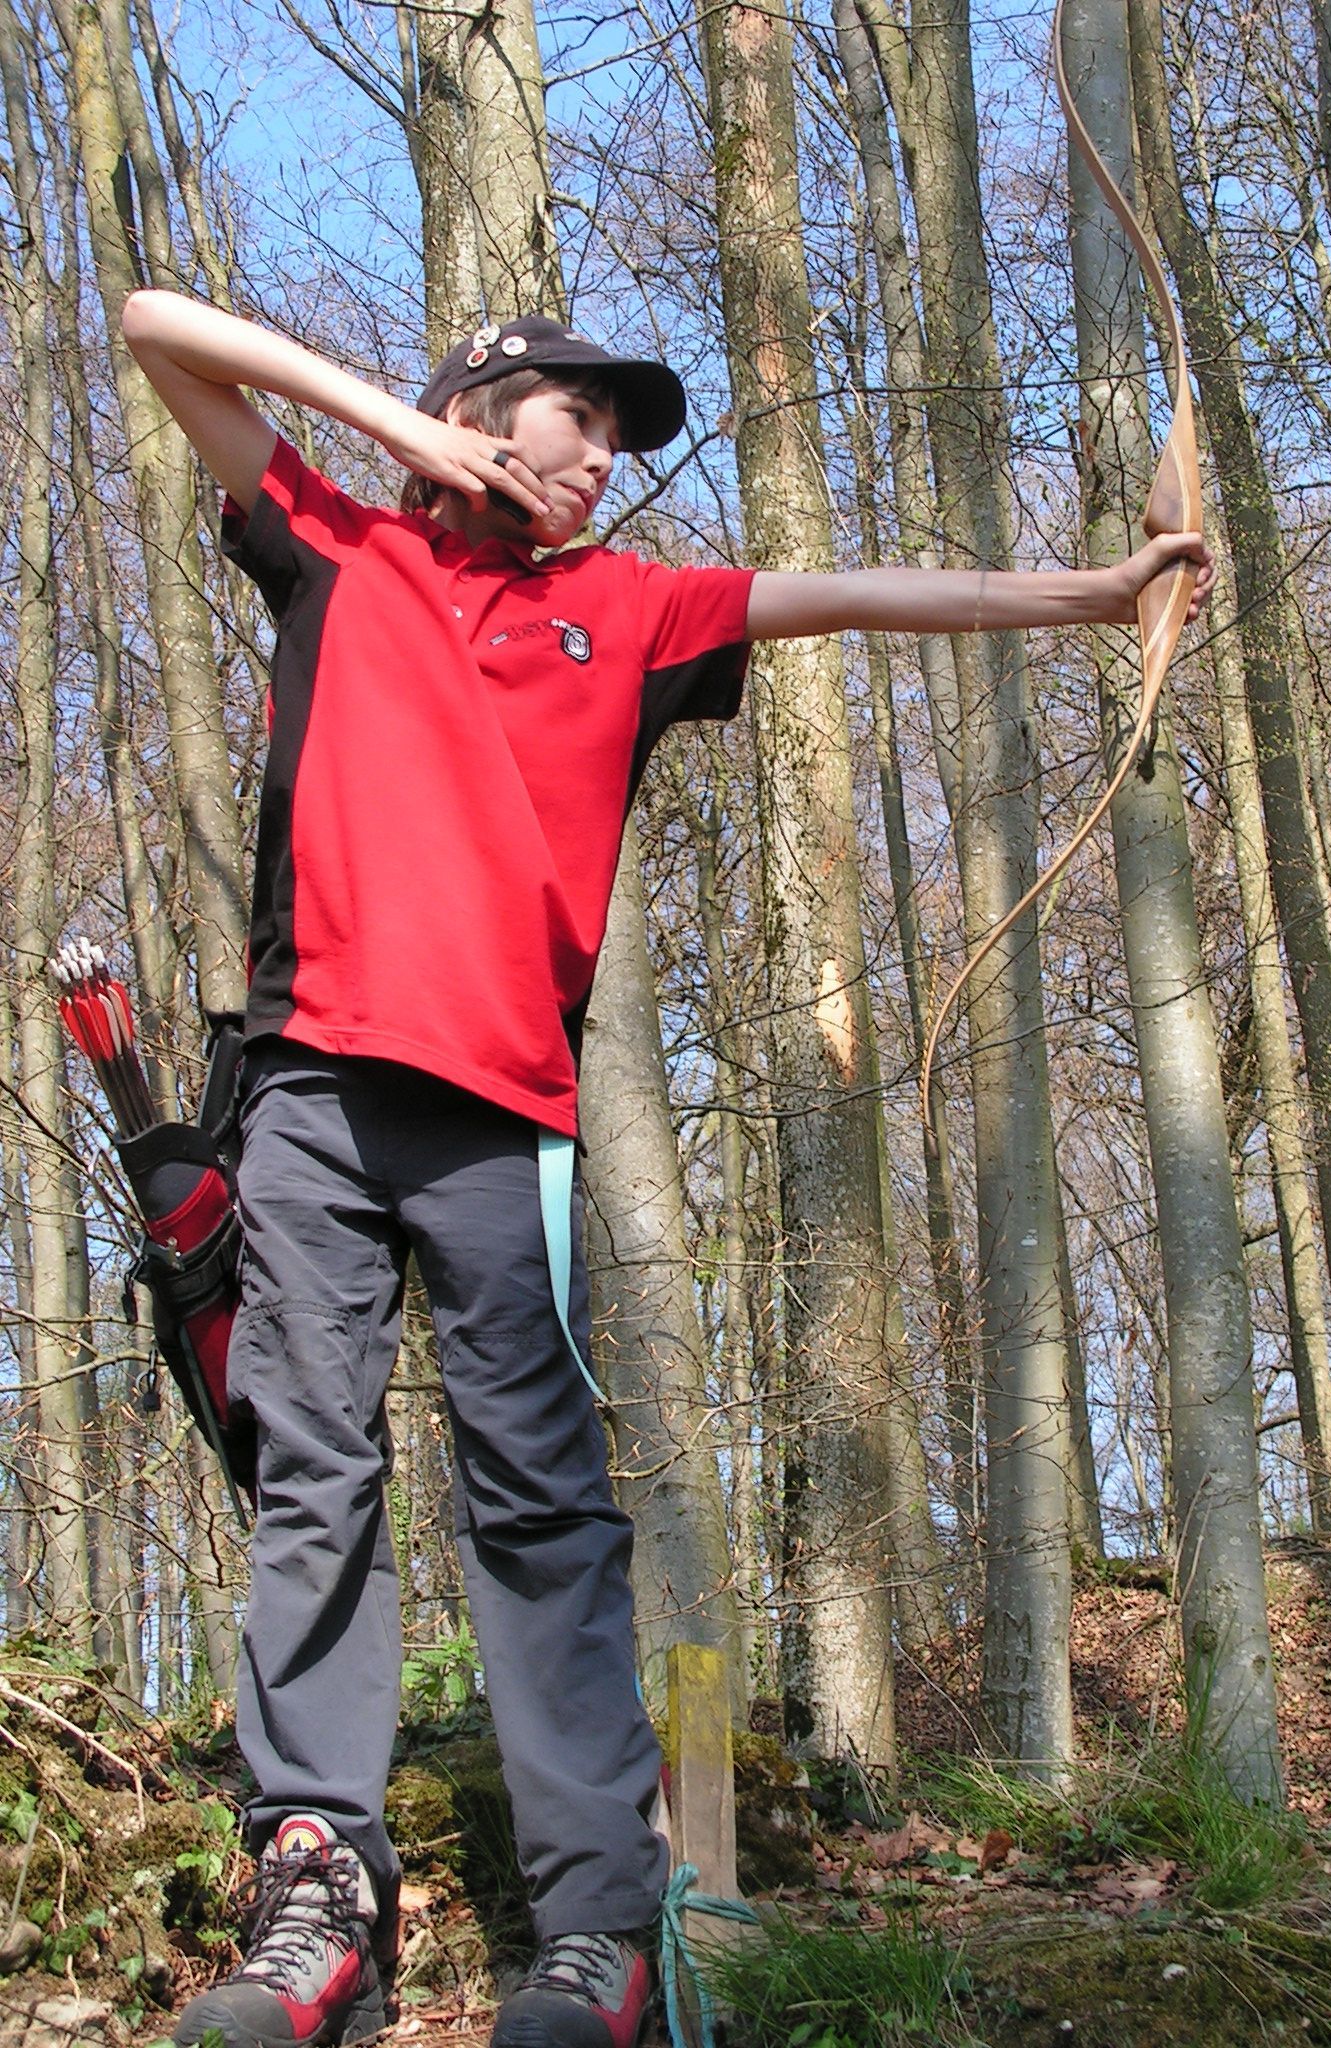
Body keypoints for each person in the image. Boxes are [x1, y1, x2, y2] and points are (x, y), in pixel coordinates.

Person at [121, 288, 1212, 2048]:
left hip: (503, 1109)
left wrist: (1097, 593)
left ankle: (596, 1928)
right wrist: (396, 432)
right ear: (488, 408)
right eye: (585, 418)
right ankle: (319, 1890)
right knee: (313, 1465)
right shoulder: (340, 549)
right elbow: (152, 323)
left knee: (538, 1493)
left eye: (622, 440)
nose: (606, 460)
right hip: (311, 1084)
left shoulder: (626, 610)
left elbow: (859, 595)